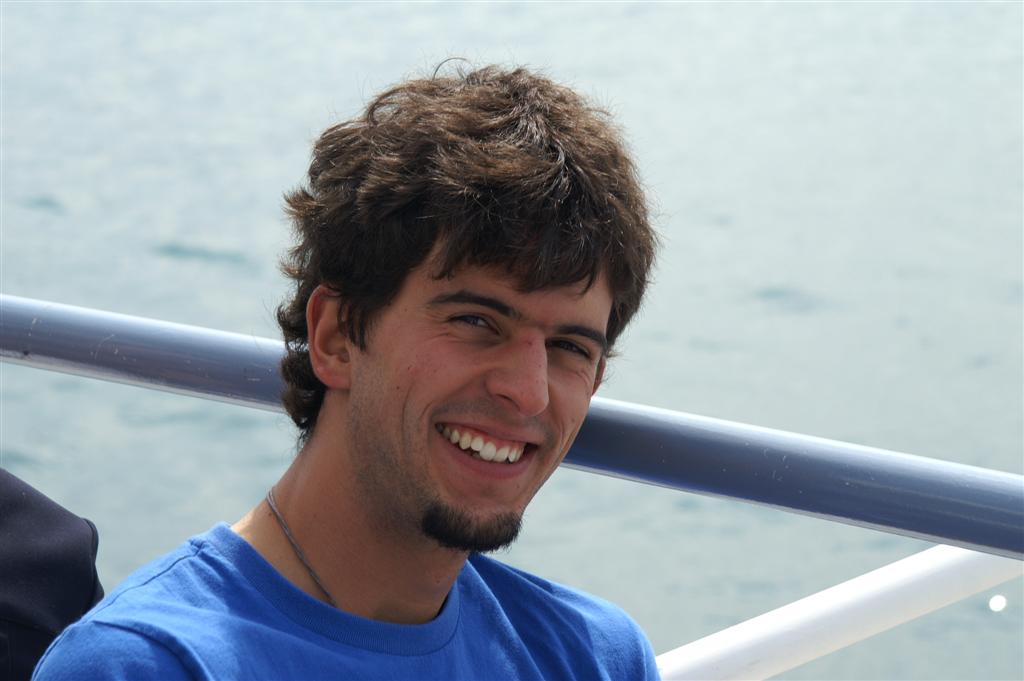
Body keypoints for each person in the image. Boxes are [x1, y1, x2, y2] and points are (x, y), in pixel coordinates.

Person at [33, 64, 659, 680]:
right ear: (335, 336)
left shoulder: (594, 657)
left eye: (569, 347)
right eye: (476, 322)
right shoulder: (147, 665)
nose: (527, 392)